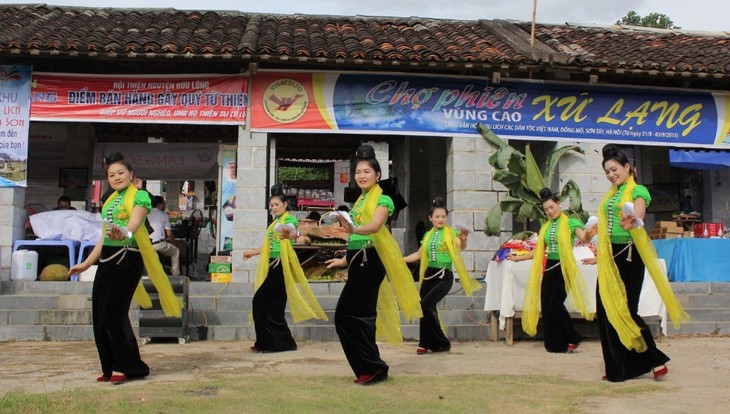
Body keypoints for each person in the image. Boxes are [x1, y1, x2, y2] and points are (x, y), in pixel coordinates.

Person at [67, 151, 181, 385]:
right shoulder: (109, 200)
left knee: (113, 311)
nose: (117, 177)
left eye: (121, 173)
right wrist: (87, 263)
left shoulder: (140, 197)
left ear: (131, 174)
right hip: (108, 258)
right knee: (99, 313)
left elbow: (133, 226)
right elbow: (104, 237)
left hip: (129, 257)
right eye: (111, 175)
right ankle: (109, 367)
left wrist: (124, 233)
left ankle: (128, 366)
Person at [325, 144, 422, 385]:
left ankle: (373, 366)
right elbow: (357, 237)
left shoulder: (384, 199)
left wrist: (353, 228)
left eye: (366, 171)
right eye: (358, 171)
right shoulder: (360, 200)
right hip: (360, 259)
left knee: (351, 314)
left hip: (371, 260)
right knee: (355, 315)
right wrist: (344, 259)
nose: (361, 175)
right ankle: (370, 367)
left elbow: (375, 227)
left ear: (377, 175)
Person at [595, 144, 689, 382]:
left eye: (614, 169)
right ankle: (618, 368)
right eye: (607, 171)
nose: (611, 174)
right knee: (606, 310)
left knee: (627, 310)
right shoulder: (611, 194)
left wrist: (634, 219)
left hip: (629, 253)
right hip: (610, 256)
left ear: (628, 167)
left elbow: (639, 212)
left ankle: (653, 358)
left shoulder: (638, 190)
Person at [510, 188, 596, 353]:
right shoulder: (546, 227)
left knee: (556, 304)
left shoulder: (570, 222)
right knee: (547, 305)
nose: (550, 211)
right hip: (550, 266)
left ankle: (573, 337)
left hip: (564, 266)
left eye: (552, 207)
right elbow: (539, 250)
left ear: (559, 204)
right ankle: (556, 344)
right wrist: (517, 258)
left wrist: (590, 234)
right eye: (546, 209)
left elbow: (583, 237)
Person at [242, 185, 327, 353]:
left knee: (259, 300)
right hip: (272, 264)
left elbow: (294, 233)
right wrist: (252, 252)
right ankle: (276, 343)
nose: (274, 207)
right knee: (274, 305)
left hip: (282, 265)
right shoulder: (274, 222)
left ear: (285, 204)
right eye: (272, 205)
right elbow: (269, 246)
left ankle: (270, 342)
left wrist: (290, 232)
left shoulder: (289, 220)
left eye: (277, 204)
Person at [403, 197, 481, 355]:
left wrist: (464, 240)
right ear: (430, 218)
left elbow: (461, 246)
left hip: (444, 276)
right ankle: (426, 343)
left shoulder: (451, 233)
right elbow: (418, 255)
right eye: (437, 217)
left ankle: (440, 342)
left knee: (426, 305)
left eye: (443, 217)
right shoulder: (427, 236)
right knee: (425, 308)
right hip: (428, 275)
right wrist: (400, 260)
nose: (440, 219)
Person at [147, 196, 181, 276]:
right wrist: (176, 245)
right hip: (158, 244)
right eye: (164, 203)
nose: (165, 206)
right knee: (176, 251)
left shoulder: (146, 213)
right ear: (159, 204)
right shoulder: (163, 215)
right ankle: (175, 275)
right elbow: (169, 234)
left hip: (147, 244)